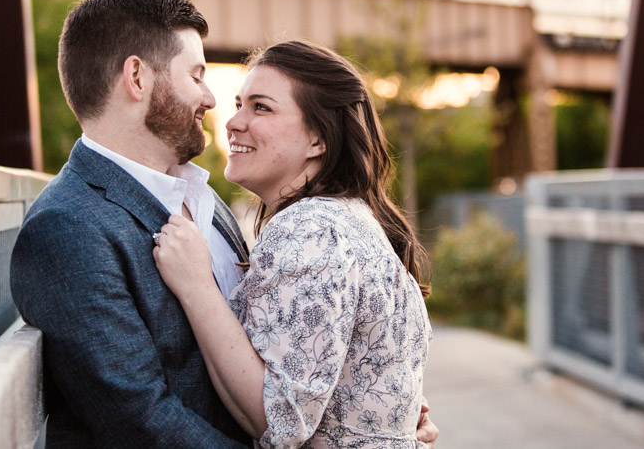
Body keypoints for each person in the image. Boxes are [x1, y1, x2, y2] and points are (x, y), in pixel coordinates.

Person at [153, 40, 436, 448]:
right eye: (238, 103)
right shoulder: (349, 218)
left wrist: (196, 286)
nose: (232, 122)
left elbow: (279, 421)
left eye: (261, 107)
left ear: (318, 139)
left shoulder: (312, 230)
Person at [9, 0, 252, 447]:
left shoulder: (205, 199)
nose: (210, 98)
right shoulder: (67, 227)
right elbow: (141, 422)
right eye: (197, 75)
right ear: (137, 78)